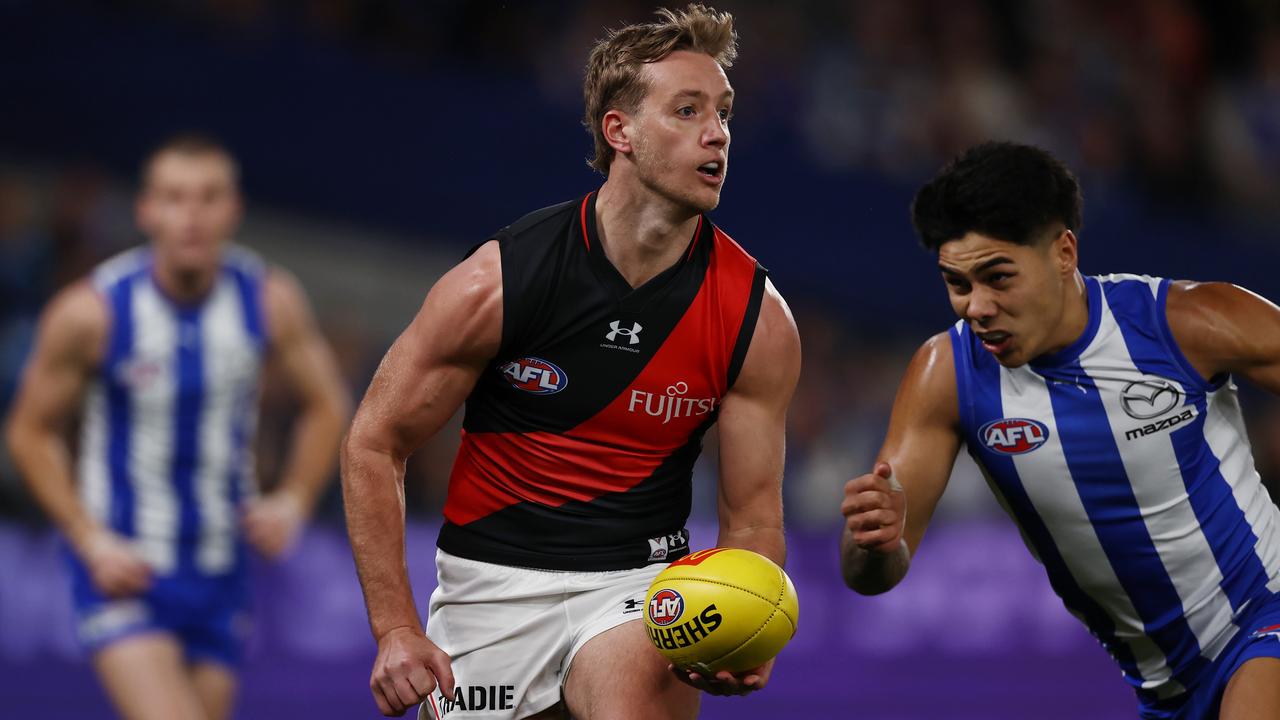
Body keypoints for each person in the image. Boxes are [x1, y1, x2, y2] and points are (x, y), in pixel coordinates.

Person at [340, 4, 800, 719]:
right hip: (485, 590)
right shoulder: (498, 282)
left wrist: (751, 618)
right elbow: (374, 442)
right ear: (620, 131)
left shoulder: (755, 317)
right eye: (687, 110)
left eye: (724, 113)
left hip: (642, 586)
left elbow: (751, 518)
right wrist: (396, 628)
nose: (717, 134)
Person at [840, 140, 1280, 719]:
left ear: (1064, 252)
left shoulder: (1186, 323)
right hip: (1163, 689)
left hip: (1263, 618)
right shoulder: (945, 375)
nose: (976, 306)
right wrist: (875, 540)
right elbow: (871, 574)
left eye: (998, 277)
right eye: (957, 283)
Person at [3, 134, 351, 720]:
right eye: (174, 197)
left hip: (222, 568)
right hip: (127, 569)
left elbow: (328, 404)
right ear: (146, 210)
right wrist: (88, 539)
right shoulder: (93, 311)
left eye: (208, 197)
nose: (191, 215)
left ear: (233, 209)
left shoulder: (269, 300)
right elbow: (28, 432)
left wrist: (292, 500)